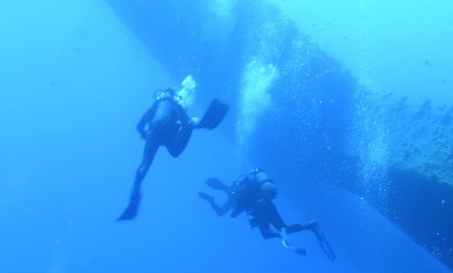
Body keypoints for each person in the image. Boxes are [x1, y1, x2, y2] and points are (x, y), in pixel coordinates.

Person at [118, 77, 229, 221]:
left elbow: (139, 126)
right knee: (175, 152)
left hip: (155, 133)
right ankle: (193, 125)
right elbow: (182, 122)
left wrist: (146, 135)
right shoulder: (178, 107)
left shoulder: (157, 104)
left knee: (145, 164)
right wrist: (190, 125)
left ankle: (136, 189)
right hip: (170, 134)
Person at [198, 168, 336, 261]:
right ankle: (310, 226)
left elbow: (222, 212)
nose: (218, 187)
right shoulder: (239, 188)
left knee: (266, 234)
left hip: (260, 208)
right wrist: (210, 200)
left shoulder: (234, 195)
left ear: (219, 186)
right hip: (268, 204)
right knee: (284, 228)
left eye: (216, 186)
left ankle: (287, 233)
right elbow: (225, 211)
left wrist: (210, 201)